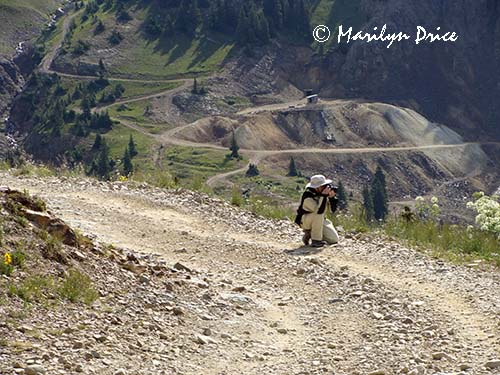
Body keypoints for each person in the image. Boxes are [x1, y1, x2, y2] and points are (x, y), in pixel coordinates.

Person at [294, 174, 340, 248]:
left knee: (333, 239)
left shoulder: (322, 195)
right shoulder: (307, 196)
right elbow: (319, 210)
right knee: (318, 214)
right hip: (306, 220)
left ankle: (310, 234)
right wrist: (324, 196)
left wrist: (331, 198)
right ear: (317, 187)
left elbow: (332, 211)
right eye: (324, 186)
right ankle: (316, 240)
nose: (326, 187)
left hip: (319, 220)